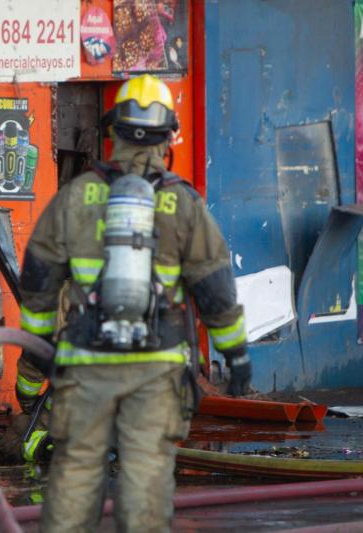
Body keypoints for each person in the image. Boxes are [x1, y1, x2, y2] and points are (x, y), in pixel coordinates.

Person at [19, 74, 251, 531]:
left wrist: (39, 352)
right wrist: (236, 354)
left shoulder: (76, 196)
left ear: (114, 131)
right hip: (157, 365)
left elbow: (38, 282)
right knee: (145, 478)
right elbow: (216, 289)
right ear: (169, 136)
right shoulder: (183, 203)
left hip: (86, 361)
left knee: (75, 473)